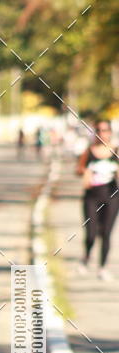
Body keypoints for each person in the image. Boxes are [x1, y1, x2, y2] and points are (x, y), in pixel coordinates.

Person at [75, 119, 119, 280]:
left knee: (106, 233)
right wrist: (84, 172)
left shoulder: (116, 151)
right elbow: (78, 169)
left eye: (105, 130)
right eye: (99, 130)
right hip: (91, 197)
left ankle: (103, 267)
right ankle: (86, 258)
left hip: (112, 197)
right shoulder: (89, 151)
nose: (102, 133)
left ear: (110, 132)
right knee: (91, 233)